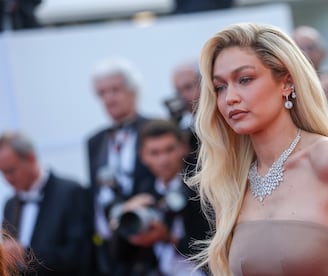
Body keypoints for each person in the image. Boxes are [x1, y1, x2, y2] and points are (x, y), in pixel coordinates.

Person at [186, 22, 328, 276]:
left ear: (287, 82)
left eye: (245, 79)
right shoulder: (232, 186)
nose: (230, 98)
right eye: (220, 86)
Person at [112, 119, 209, 275]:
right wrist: (125, 216)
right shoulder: (143, 190)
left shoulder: (203, 186)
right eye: (154, 153)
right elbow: (119, 255)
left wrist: (169, 238)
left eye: (169, 149)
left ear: (183, 148)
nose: (163, 160)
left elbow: (213, 247)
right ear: (143, 156)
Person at [87, 57, 154, 275]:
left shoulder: (155, 129)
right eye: (102, 93)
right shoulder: (95, 141)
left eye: (115, 90)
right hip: (112, 251)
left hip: (150, 242)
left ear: (133, 90)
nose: (108, 98)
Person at [0, 131, 90, 276]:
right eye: (3, 173)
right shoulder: (10, 204)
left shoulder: (71, 192)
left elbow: (79, 255)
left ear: (30, 158)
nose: (7, 179)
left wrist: (25, 253)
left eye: (11, 171)